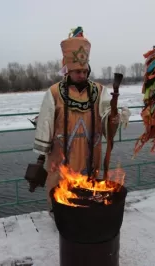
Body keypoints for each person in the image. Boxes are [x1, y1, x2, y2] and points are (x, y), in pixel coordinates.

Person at [24, 27, 130, 212]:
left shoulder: (100, 91)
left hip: (90, 151)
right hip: (61, 153)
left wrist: (113, 119)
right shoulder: (55, 92)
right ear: (68, 71)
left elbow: (107, 116)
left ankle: (86, 211)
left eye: (84, 71)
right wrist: (43, 147)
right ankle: (58, 212)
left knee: (88, 185)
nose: (81, 75)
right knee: (60, 185)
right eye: (77, 72)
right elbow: (46, 121)